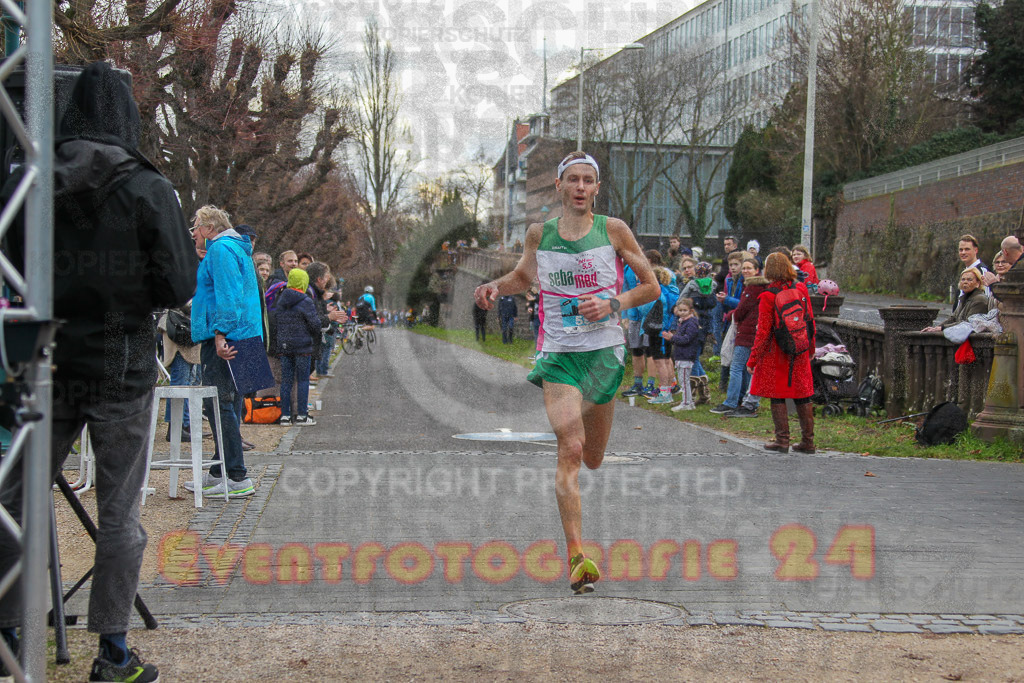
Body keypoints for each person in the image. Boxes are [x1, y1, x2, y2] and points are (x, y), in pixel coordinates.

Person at [0, 61, 198, 682]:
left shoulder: (31, 181)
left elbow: (10, 262)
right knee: (119, 515)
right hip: (121, 362)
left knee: (17, 500)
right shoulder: (147, 188)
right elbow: (179, 282)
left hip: (47, 360)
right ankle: (112, 651)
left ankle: (5, 632)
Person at [473, 151, 658, 594]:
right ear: (559, 186)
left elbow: (650, 285)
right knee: (570, 449)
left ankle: (578, 541)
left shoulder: (613, 230)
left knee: (593, 455)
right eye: (572, 179)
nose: (579, 187)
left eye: (587, 180)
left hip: (604, 353)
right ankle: (577, 555)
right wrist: (496, 287)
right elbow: (524, 275)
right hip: (558, 355)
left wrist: (613, 303)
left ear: (596, 188)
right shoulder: (541, 233)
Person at [187, 204, 262, 497]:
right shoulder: (237, 248)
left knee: (220, 405)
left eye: (195, 227)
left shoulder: (220, 250)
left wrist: (220, 334)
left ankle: (236, 476)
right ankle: (220, 471)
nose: (193, 234)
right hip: (245, 333)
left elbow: (228, 296)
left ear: (208, 227)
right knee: (226, 405)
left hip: (229, 336)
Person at [747, 252, 816, 453]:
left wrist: (753, 359)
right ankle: (808, 442)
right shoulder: (801, 289)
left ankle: (782, 440)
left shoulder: (768, 296)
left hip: (776, 352)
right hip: (800, 349)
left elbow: (763, 332)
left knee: (777, 395)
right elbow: (810, 320)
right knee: (803, 394)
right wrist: (810, 347)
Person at [717, 255, 767, 417]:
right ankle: (742, 398)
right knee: (746, 368)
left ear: (757, 270)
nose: (745, 271)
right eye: (744, 268)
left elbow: (742, 310)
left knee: (736, 367)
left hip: (746, 333)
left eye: (748, 268)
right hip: (754, 333)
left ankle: (731, 402)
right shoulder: (761, 287)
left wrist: (732, 314)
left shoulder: (752, 288)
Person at [274, 268, 322, 425]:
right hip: (302, 347)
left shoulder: (280, 299)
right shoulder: (306, 301)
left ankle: (285, 416)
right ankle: (302, 415)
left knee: (286, 381)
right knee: (302, 380)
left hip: (284, 345)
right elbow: (314, 324)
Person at [922, 267, 989, 332]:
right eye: (963, 279)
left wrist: (942, 328)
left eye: (969, 280)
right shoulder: (964, 298)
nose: (965, 282)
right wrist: (936, 328)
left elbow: (968, 324)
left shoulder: (980, 299)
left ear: (978, 283)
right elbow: (953, 318)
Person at [665, 297, 700, 411]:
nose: (682, 313)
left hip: (686, 355)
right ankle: (688, 402)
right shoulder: (683, 322)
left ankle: (686, 403)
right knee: (683, 380)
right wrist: (671, 338)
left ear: (690, 310)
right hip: (680, 355)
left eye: (685, 310)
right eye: (680, 310)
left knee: (684, 381)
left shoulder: (691, 323)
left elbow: (686, 339)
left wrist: (673, 337)